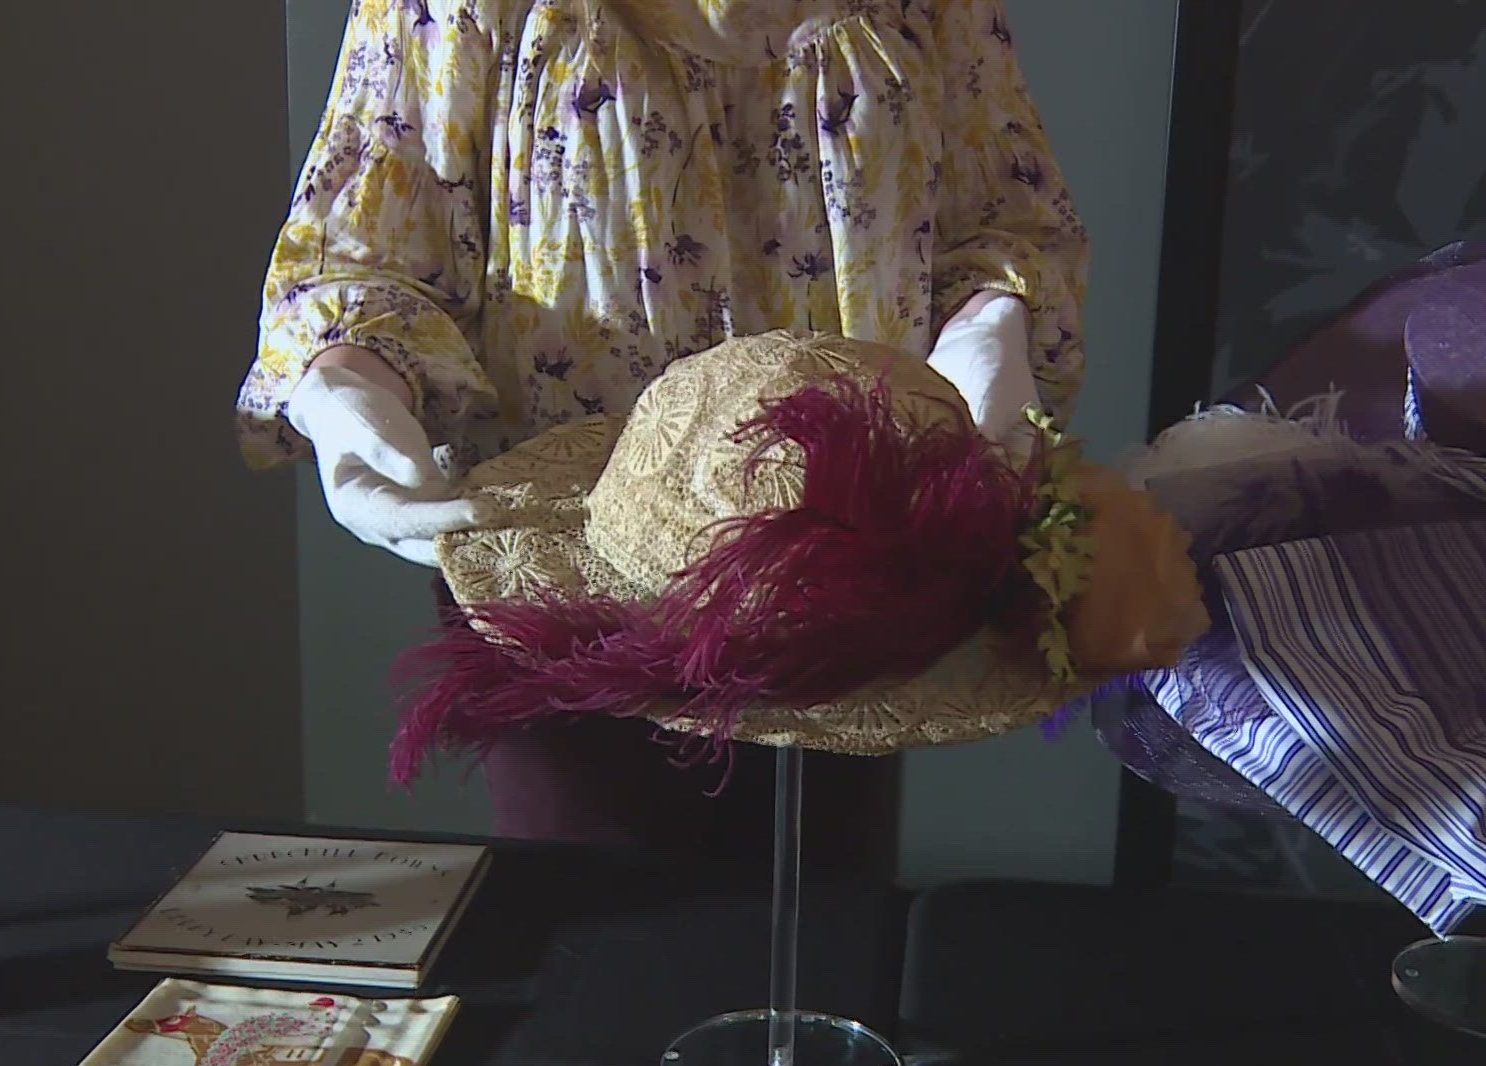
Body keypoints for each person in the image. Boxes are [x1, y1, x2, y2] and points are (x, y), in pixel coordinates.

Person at [236, 0, 1088, 875]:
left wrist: (988, 332)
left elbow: (1006, 216)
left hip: (848, 577)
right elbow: (364, 245)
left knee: (817, 935)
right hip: (575, 575)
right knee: (605, 947)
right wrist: (348, 382)